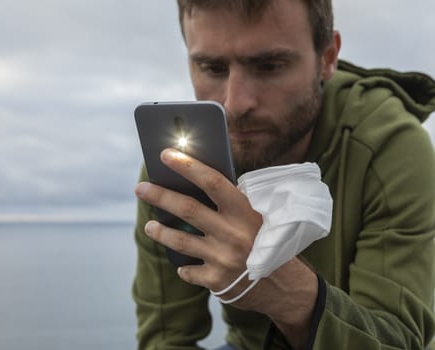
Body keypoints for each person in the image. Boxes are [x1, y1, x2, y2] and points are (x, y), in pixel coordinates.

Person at [132, 0, 435, 349]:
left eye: (269, 66)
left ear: (327, 57)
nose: (235, 103)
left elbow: (397, 342)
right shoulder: (179, 166)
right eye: (213, 68)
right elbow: (166, 339)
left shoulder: (389, 147)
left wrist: (285, 291)